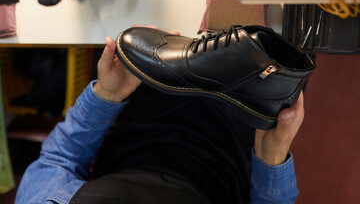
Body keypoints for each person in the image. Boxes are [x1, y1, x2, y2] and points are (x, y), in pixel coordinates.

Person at [15, 33, 304, 204]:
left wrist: (107, 94)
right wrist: (272, 157)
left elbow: (58, 160)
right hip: (227, 148)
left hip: (137, 120)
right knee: (277, 44)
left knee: (147, 0)